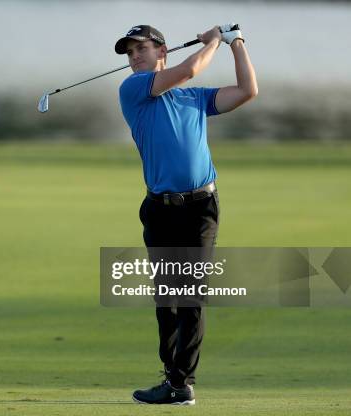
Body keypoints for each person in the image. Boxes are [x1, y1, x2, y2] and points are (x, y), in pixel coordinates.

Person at [116, 24, 258, 405]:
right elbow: (188, 69)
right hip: (159, 210)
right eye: (129, 53)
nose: (134, 57)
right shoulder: (133, 90)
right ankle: (171, 377)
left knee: (190, 295)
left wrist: (236, 42)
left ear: (161, 49)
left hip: (200, 208)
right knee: (168, 299)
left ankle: (181, 383)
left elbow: (247, 91)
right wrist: (214, 39)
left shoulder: (194, 99)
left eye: (141, 49)